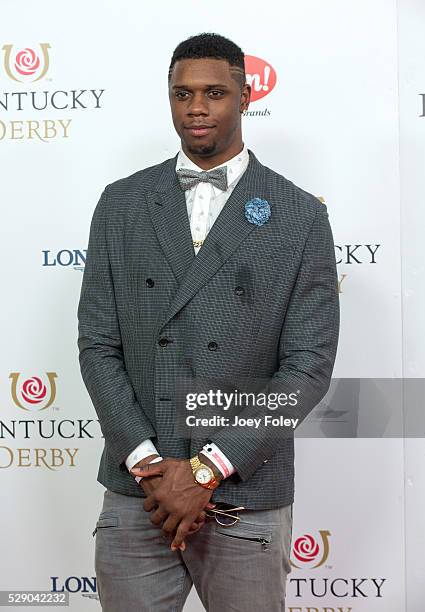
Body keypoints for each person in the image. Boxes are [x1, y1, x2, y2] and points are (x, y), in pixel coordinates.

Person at [78, 32, 339, 612]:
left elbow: (308, 366)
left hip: (245, 487)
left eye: (215, 92)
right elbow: (98, 344)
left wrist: (206, 470)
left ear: (245, 96)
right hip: (138, 490)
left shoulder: (298, 213)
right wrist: (151, 465)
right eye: (182, 93)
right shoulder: (121, 202)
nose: (196, 107)